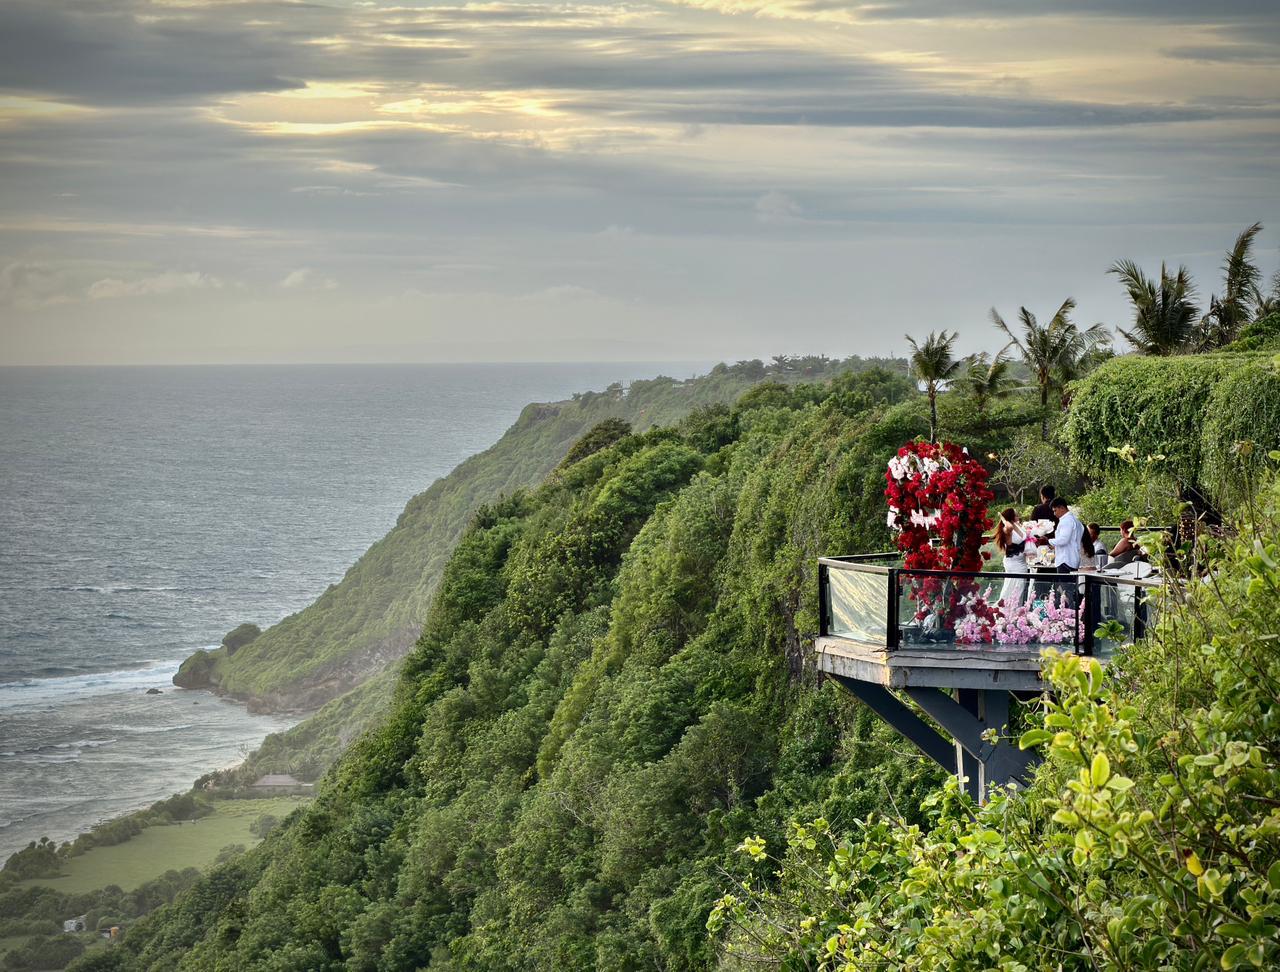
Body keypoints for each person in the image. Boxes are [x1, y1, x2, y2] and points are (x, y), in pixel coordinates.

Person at [994, 508, 1029, 617]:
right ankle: (1006, 612)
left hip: (1022, 561)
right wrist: (1002, 518)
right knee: (1013, 587)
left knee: (1019, 587)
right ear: (1010, 517)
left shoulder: (1017, 525)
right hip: (1013, 563)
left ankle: (1015, 612)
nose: (1018, 516)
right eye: (1016, 515)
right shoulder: (1007, 529)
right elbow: (1008, 526)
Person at [1049, 496, 1083, 607]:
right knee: (1069, 590)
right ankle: (1072, 615)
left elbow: (1064, 539)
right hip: (1072, 558)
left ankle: (1068, 616)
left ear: (1062, 508)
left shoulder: (1067, 520)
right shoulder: (1075, 521)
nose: (1054, 514)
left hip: (1065, 560)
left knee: (1065, 592)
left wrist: (1049, 541)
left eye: (1055, 510)